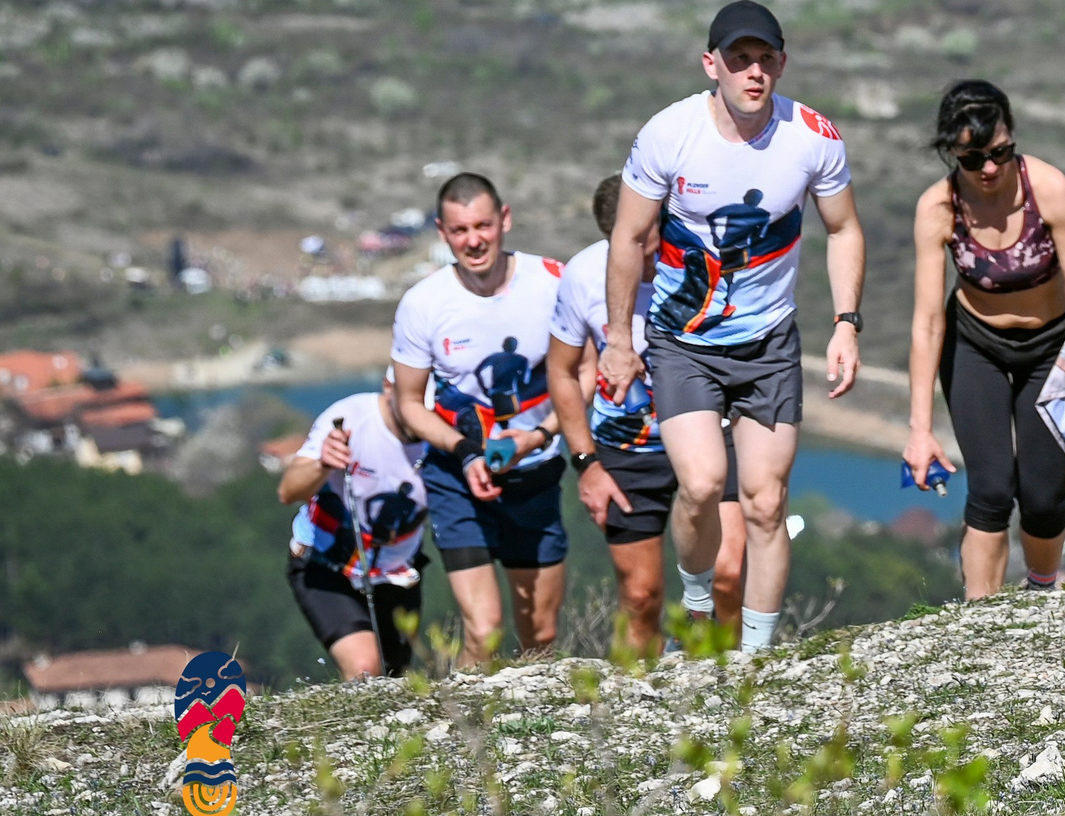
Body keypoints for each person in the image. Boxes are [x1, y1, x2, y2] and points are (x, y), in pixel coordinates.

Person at [601, 0, 865, 655]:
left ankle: (757, 656)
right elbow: (629, 236)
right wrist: (615, 337)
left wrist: (847, 322)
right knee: (697, 483)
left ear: (782, 62)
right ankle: (694, 599)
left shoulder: (813, 136)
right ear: (710, 63)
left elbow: (844, 228)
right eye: (739, 59)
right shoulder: (668, 134)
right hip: (682, 342)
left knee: (766, 501)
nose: (754, 72)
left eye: (765, 58)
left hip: (769, 343)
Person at [903, 80, 1065, 600]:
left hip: (1052, 350)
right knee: (989, 491)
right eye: (971, 159)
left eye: (999, 153)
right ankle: (979, 621)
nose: (988, 170)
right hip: (975, 347)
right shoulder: (938, 208)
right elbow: (926, 324)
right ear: (951, 154)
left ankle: (1041, 596)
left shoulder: (1049, 189)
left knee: (1042, 496)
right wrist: (920, 431)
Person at [548, 175, 746, 660]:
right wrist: (586, 464)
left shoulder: (704, 258)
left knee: (727, 575)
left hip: (711, 432)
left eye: (657, 246)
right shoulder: (583, 276)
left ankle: (732, 692)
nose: (653, 263)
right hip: (628, 445)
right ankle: (642, 714)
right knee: (641, 599)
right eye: (638, 252)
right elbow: (562, 371)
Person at [390, 172, 569, 668]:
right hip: (456, 477)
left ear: (504, 220)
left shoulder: (554, 280)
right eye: (460, 230)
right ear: (442, 232)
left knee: (540, 635)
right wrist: (465, 453)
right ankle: (468, 736)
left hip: (536, 472)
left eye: (483, 226)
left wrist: (538, 436)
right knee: (485, 630)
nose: (474, 241)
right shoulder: (423, 304)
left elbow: (584, 380)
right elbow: (408, 404)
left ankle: (534, 737)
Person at [279, 370, 426, 680]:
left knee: (395, 676)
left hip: (395, 572)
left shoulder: (441, 431)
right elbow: (289, 491)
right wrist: (322, 462)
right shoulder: (350, 416)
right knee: (365, 669)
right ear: (389, 386)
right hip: (324, 566)